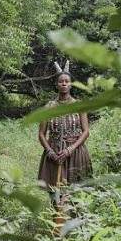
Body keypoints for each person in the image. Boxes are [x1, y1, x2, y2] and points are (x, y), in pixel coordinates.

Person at [38, 60, 93, 193]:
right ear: (57, 85)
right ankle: (57, 213)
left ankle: (75, 213)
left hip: (75, 152)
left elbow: (86, 131)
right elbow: (41, 134)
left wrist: (70, 149)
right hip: (54, 152)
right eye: (61, 81)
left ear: (71, 85)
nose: (64, 83)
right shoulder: (49, 107)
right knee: (56, 191)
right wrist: (50, 152)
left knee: (76, 191)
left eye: (66, 81)